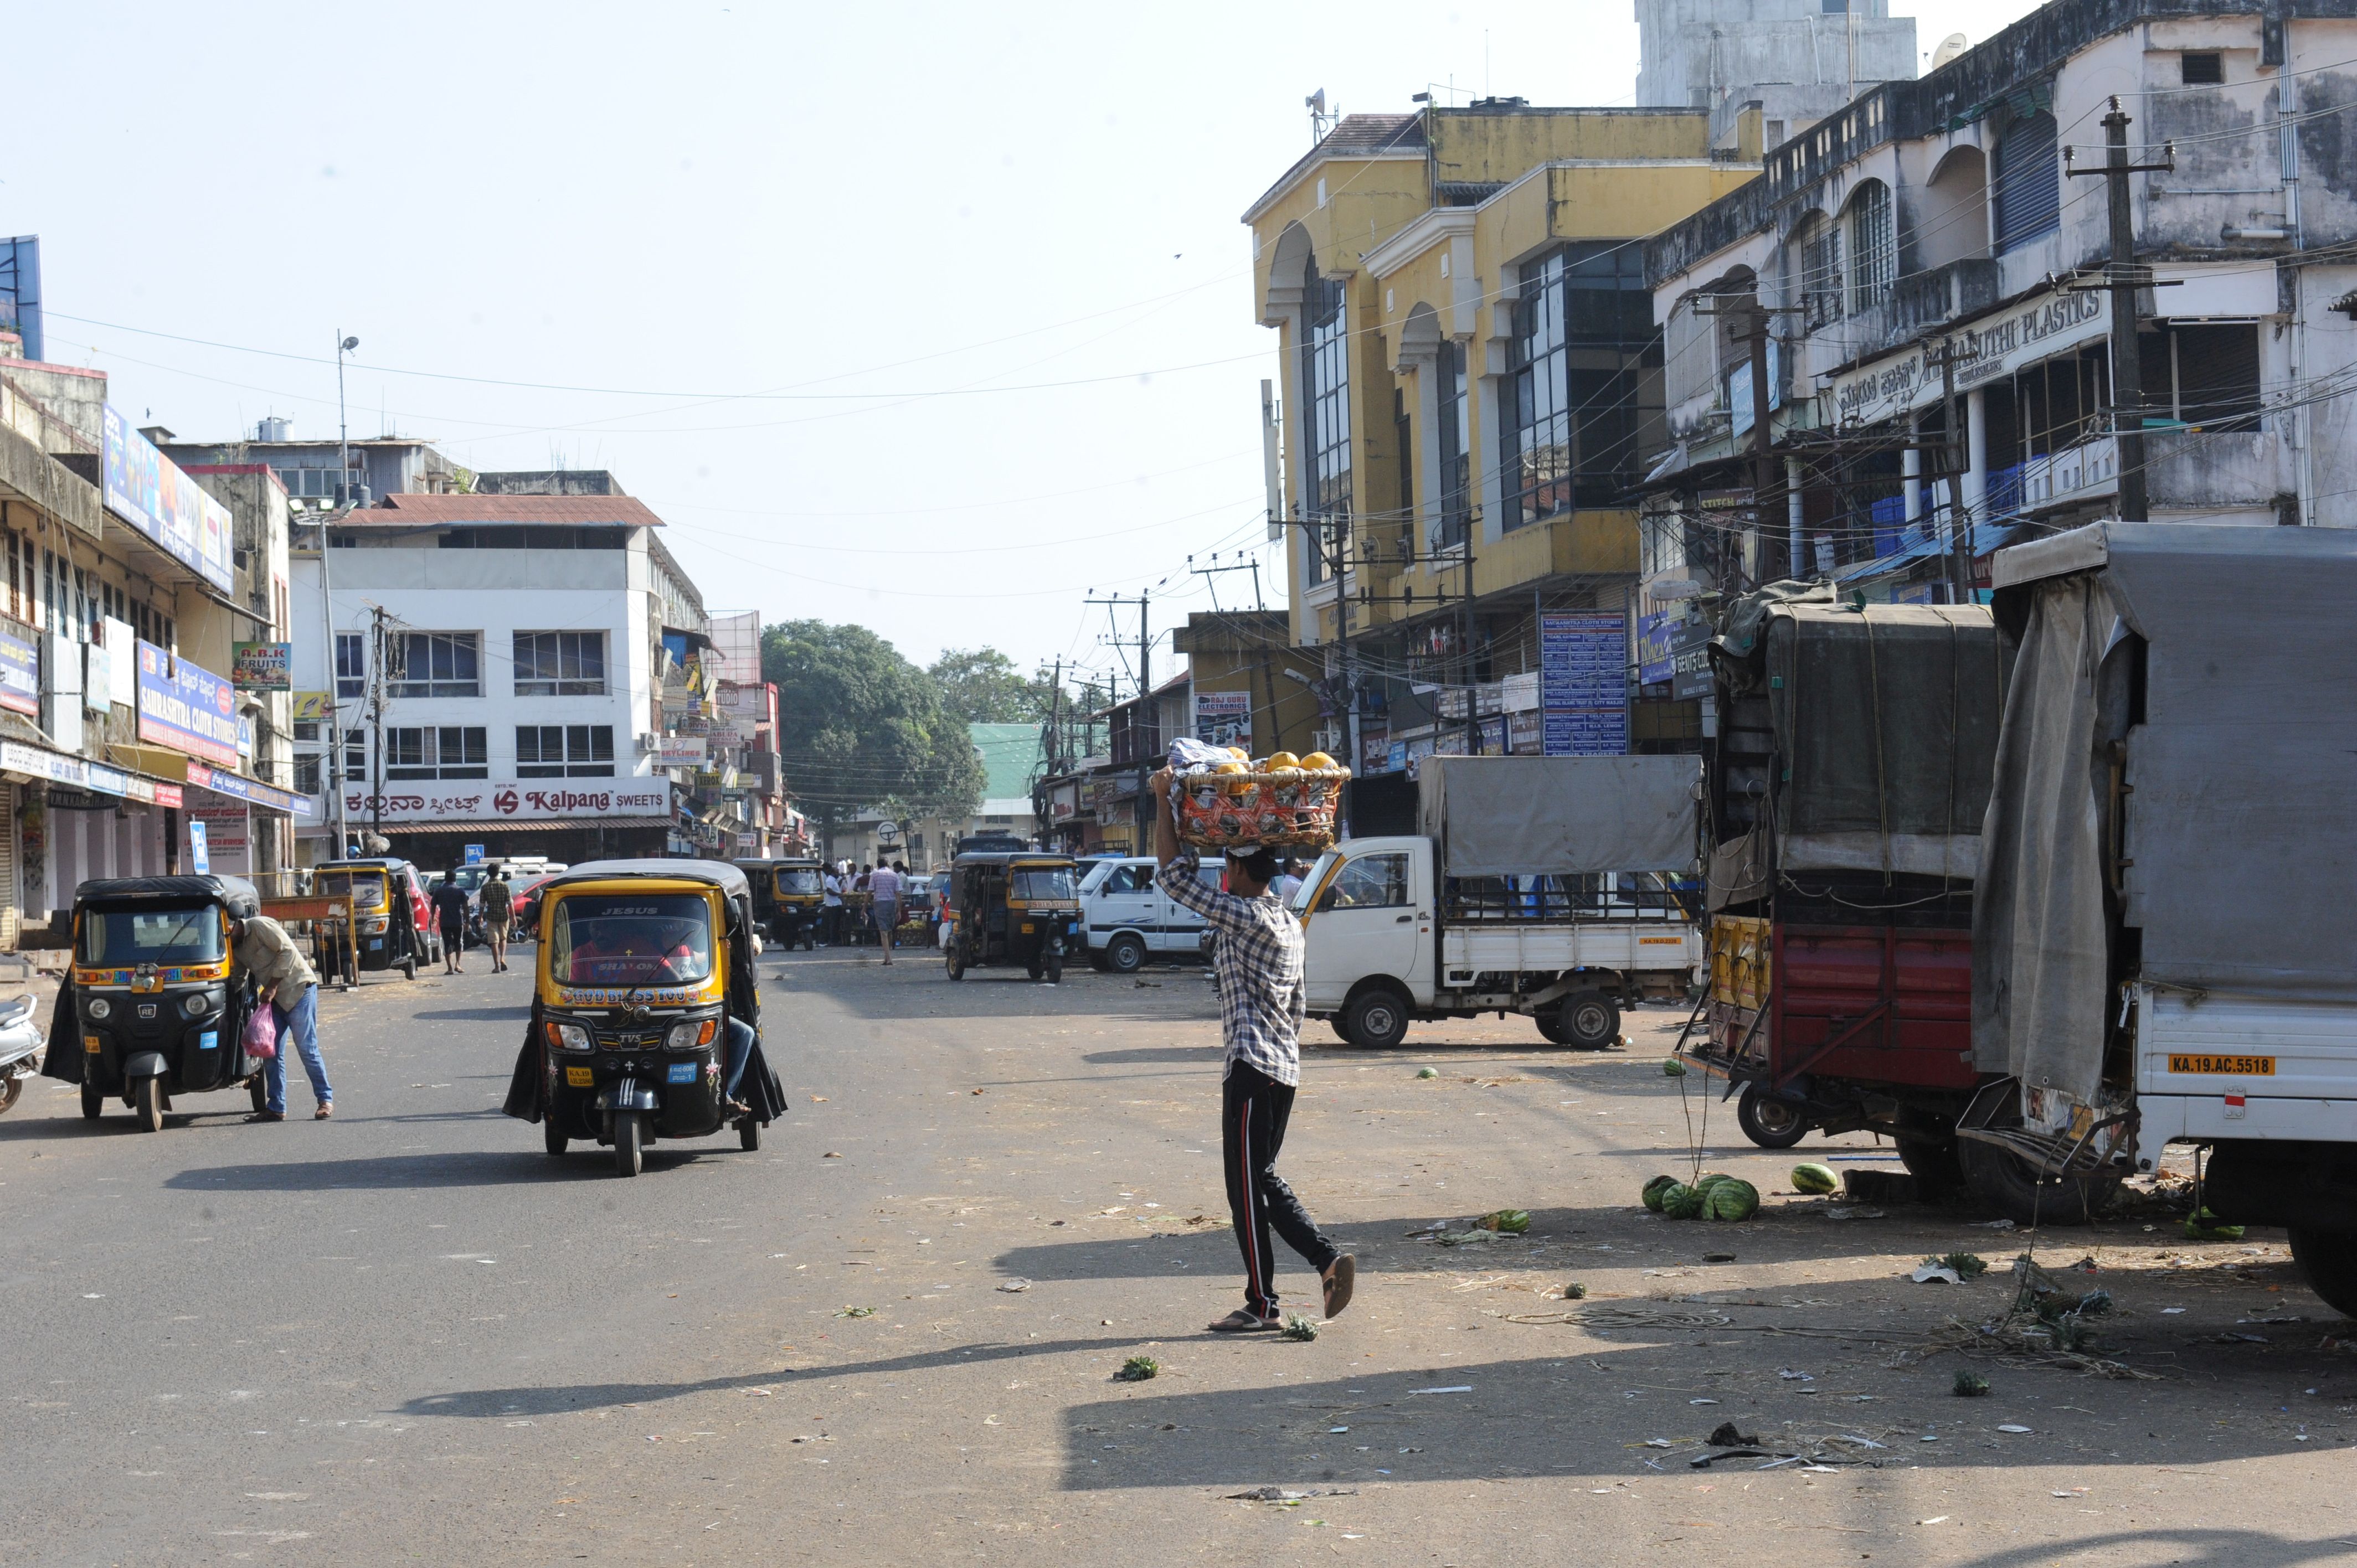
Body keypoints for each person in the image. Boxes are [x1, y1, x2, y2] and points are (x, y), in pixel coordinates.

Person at [1150, 767, 1354, 1333]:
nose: (1221, 877)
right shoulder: (1287, 924)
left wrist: (1162, 801)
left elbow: (1172, 880)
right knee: (1256, 1181)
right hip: (1281, 1069)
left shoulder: (1245, 919)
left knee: (1249, 1187)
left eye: (1225, 867)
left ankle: (1308, 1271)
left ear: (1239, 868)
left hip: (1250, 1067)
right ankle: (1274, 1292)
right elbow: (1298, 1007)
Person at [231, 910, 332, 1122]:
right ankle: (277, 1106)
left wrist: (271, 986)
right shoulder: (236, 949)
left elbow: (287, 952)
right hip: (274, 1001)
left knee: (307, 1048)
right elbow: (239, 978)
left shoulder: (259, 926)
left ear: (232, 926)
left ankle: (325, 1100)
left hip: (298, 990)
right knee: (270, 1050)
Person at [430, 870, 470, 974]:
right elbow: (465, 907)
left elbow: (433, 905)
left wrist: (433, 917)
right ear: (455, 879)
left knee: (447, 943)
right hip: (457, 920)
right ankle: (458, 964)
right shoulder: (460, 890)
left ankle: (449, 968)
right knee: (458, 942)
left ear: (445, 879)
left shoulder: (439, 891)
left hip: (445, 921)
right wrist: (467, 921)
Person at [868, 859, 903, 965]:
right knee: (889, 930)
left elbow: (869, 892)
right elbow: (898, 894)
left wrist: (864, 908)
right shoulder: (894, 875)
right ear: (888, 865)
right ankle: (887, 957)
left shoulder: (875, 875)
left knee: (883, 932)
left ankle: (888, 958)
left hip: (879, 903)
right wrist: (899, 910)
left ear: (878, 865)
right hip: (892, 903)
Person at [479, 870, 514, 972]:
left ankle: (496, 966)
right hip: (504, 915)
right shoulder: (504, 886)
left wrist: (480, 917)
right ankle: (502, 958)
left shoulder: (485, 887)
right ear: (498, 873)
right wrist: (514, 917)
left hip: (491, 915)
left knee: (494, 941)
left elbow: (482, 904)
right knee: (503, 938)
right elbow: (510, 903)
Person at [821, 866, 845, 946]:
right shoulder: (830, 880)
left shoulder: (833, 880)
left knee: (836, 924)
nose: (838, 874)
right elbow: (829, 891)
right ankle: (833, 941)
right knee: (833, 924)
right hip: (833, 905)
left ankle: (835, 940)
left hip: (836, 904)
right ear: (833, 873)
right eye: (837, 872)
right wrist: (839, 894)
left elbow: (834, 888)